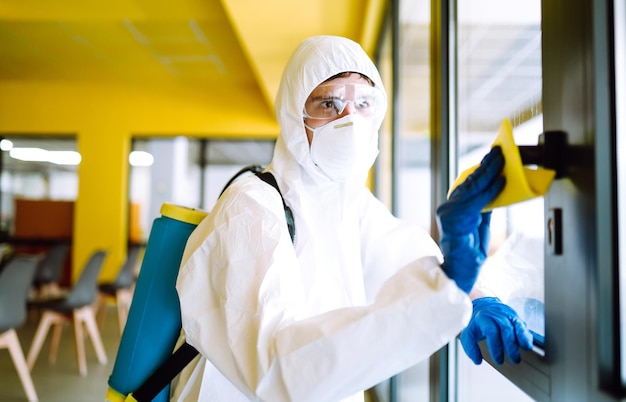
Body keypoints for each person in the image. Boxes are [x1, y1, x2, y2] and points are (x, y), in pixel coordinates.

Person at [172, 35, 532, 402]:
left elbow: (405, 258)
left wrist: (474, 298)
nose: (351, 120)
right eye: (329, 103)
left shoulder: (348, 203)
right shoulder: (251, 207)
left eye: (363, 103)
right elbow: (276, 369)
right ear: (294, 115)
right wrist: (447, 289)